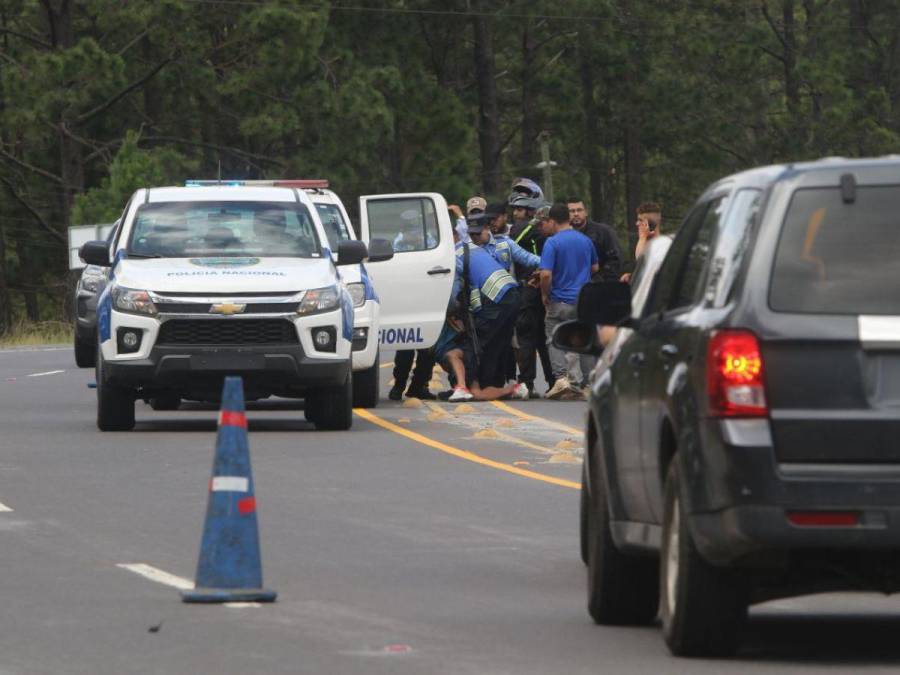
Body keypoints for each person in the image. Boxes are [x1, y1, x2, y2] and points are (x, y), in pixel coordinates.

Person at [455, 213, 522, 389]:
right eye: (473, 234)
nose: (475, 237)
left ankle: (477, 384)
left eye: (478, 233)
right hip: (512, 294)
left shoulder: (457, 254)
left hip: (498, 298)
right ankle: (495, 383)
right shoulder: (474, 249)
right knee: (499, 341)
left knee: (481, 340)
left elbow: (455, 290)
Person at [539, 202, 599, 400]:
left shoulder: (552, 243)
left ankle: (561, 378)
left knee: (553, 337)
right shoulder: (585, 240)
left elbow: (546, 274)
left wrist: (545, 294)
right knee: (584, 340)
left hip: (560, 299)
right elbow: (595, 268)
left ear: (553, 221)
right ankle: (589, 384)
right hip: (584, 300)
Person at [566, 197, 623, 281]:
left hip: (601, 285)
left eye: (579, 210)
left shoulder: (603, 232)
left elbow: (615, 259)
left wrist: (599, 278)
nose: (576, 214)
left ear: (586, 212)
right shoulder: (563, 236)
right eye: (572, 211)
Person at [622, 202, 662, 282]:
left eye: (640, 220)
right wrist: (632, 276)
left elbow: (641, 261)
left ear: (650, 224)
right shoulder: (644, 244)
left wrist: (642, 237)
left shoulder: (661, 246)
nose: (637, 224)